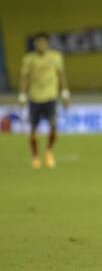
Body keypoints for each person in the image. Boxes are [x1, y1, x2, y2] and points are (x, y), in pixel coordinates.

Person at [18, 32, 70, 169]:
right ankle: (35, 157)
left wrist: (65, 93)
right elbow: (24, 78)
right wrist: (22, 96)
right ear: (35, 44)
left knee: (53, 125)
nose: (40, 45)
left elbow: (61, 75)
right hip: (34, 97)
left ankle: (49, 151)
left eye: (43, 42)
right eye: (38, 42)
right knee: (33, 129)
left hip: (50, 96)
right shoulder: (29, 59)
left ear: (47, 43)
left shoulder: (55, 57)